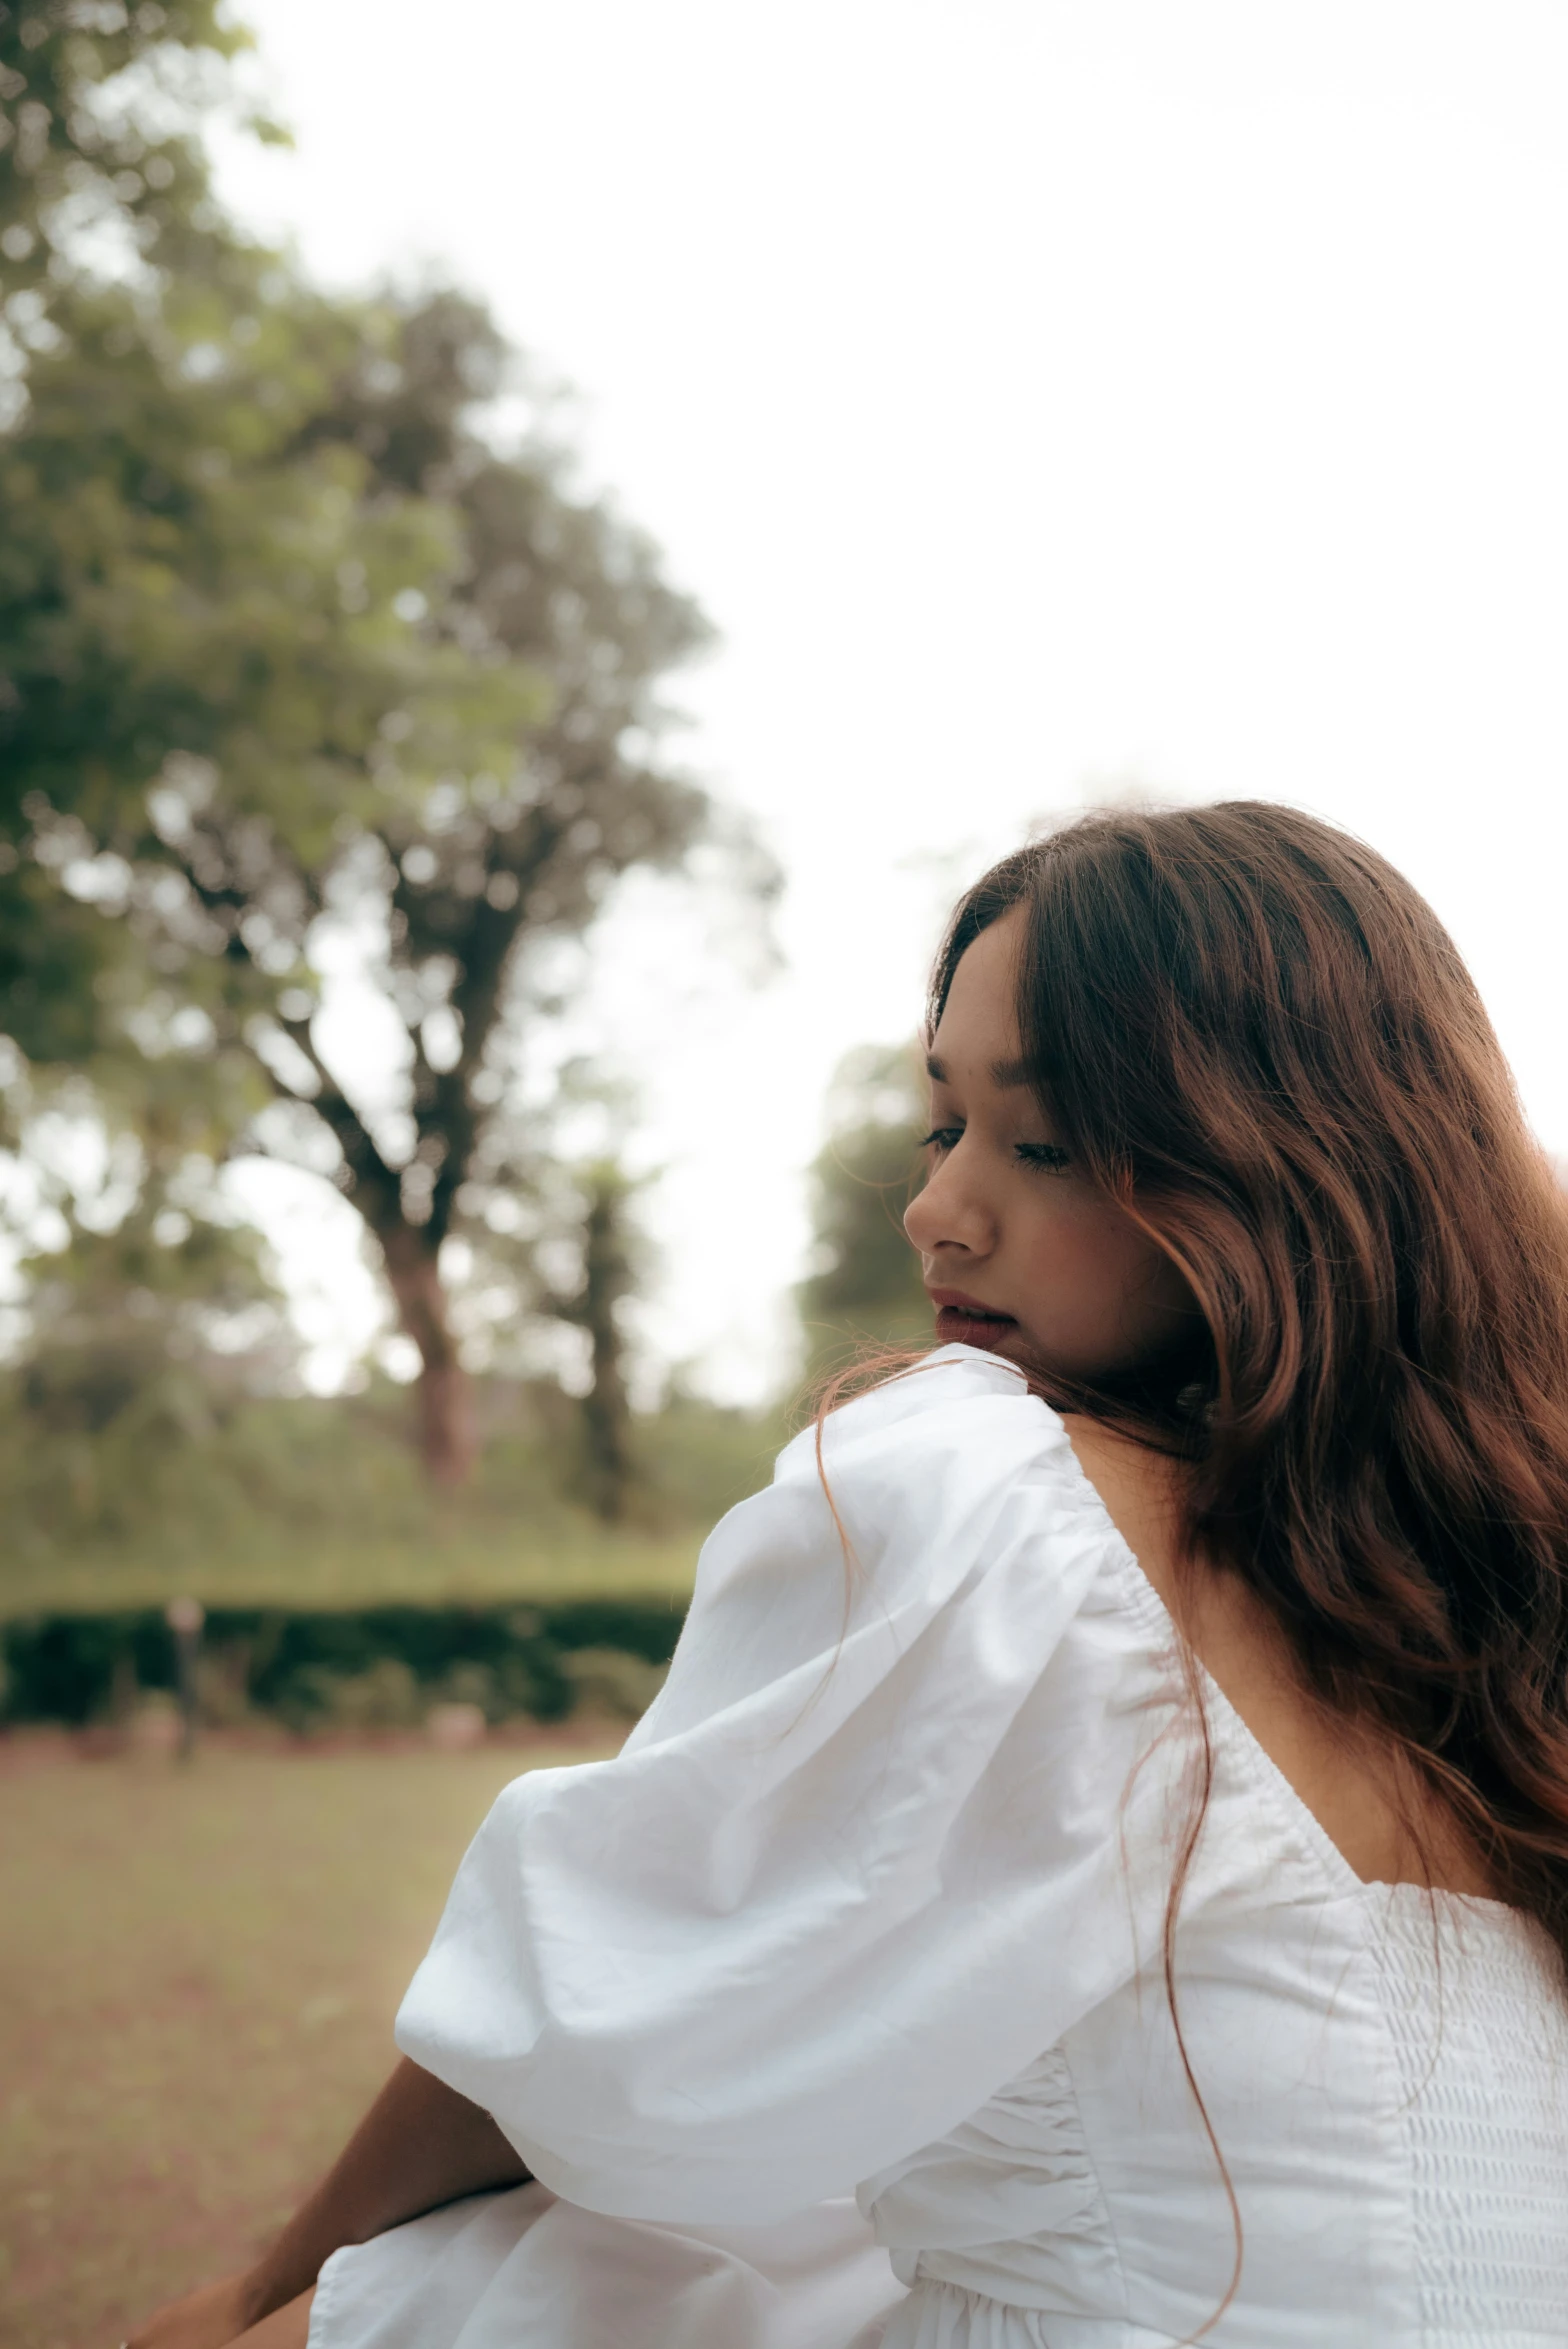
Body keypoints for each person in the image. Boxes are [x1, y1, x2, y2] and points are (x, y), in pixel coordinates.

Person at [128, 802, 1568, 2349]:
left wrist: (258, 2297)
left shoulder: (1009, 1507)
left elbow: (577, 2031)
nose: (937, 1210)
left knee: (472, 2289)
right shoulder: (1498, 1616)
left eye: (1048, 1141)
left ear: (1295, 1170)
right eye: (941, 1127)